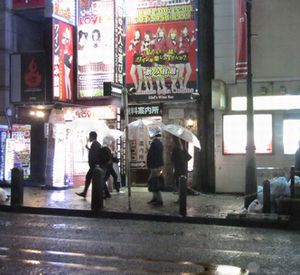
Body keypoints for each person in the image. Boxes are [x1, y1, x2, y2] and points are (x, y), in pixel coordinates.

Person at [76, 131, 110, 199]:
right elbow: (94, 153)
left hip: (94, 166)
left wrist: (96, 165)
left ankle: (85, 193)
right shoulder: (96, 144)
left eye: (89, 136)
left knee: (93, 178)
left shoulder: (95, 144)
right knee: (90, 178)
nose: (89, 138)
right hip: (94, 166)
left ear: (92, 137)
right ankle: (85, 193)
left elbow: (95, 155)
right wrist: (88, 148)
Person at [170, 136, 192, 201]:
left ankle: (180, 199)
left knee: (178, 183)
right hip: (183, 168)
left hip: (178, 169)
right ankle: (182, 198)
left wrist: (172, 154)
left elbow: (172, 159)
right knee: (182, 184)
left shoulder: (175, 149)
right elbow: (189, 157)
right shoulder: (183, 148)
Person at [146, 128, 164, 206]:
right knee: (153, 182)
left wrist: (153, 167)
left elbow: (153, 156)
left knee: (153, 182)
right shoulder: (158, 143)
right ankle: (155, 198)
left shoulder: (155, 143)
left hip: (155, 166)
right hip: (157, 165)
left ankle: (159, 200)